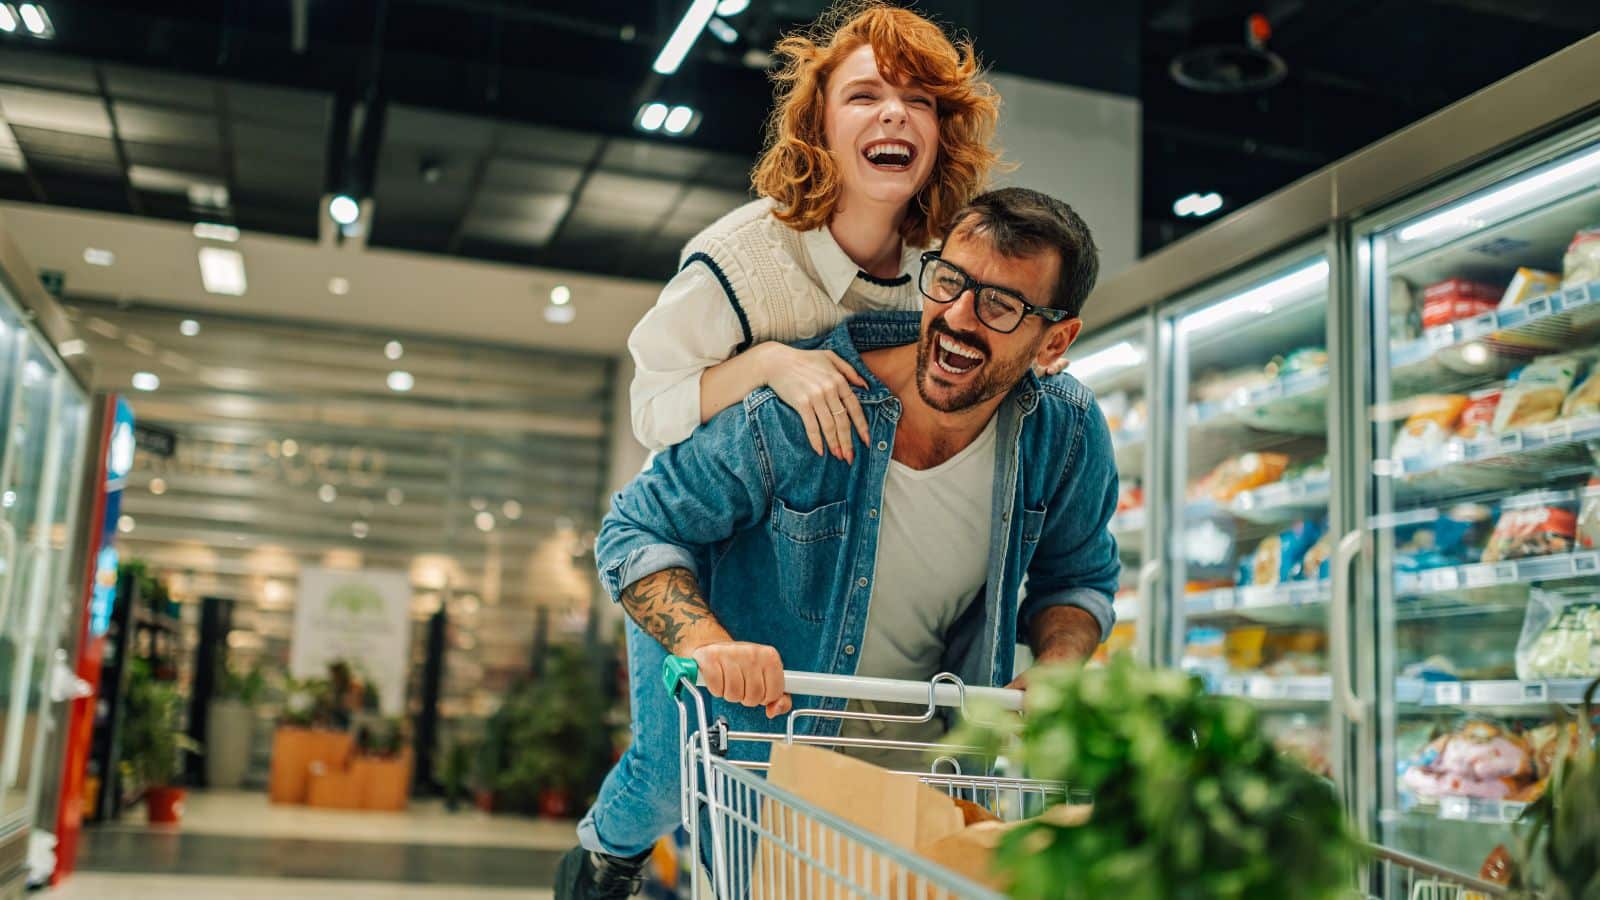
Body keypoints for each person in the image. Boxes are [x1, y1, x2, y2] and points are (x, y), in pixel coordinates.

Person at [556, 187, 1120, 899]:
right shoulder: (807, 409)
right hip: (771, 718)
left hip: (917, 722)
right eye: (949, 281)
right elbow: (637, 527)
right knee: (663, 775)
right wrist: (706, 644)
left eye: (1001, 306)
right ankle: (602, 861)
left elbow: (1078, 577)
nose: (956, 319)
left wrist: (1061, 665)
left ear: (1056, 341)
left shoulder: (1063, 432)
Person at [627, 2, 1003, 465]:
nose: (895, 113)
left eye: (919, 100)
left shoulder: (948, 263)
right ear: (818, 127)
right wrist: (767, 363)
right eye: (864, 96)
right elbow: (650, 410)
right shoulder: (735, 260)